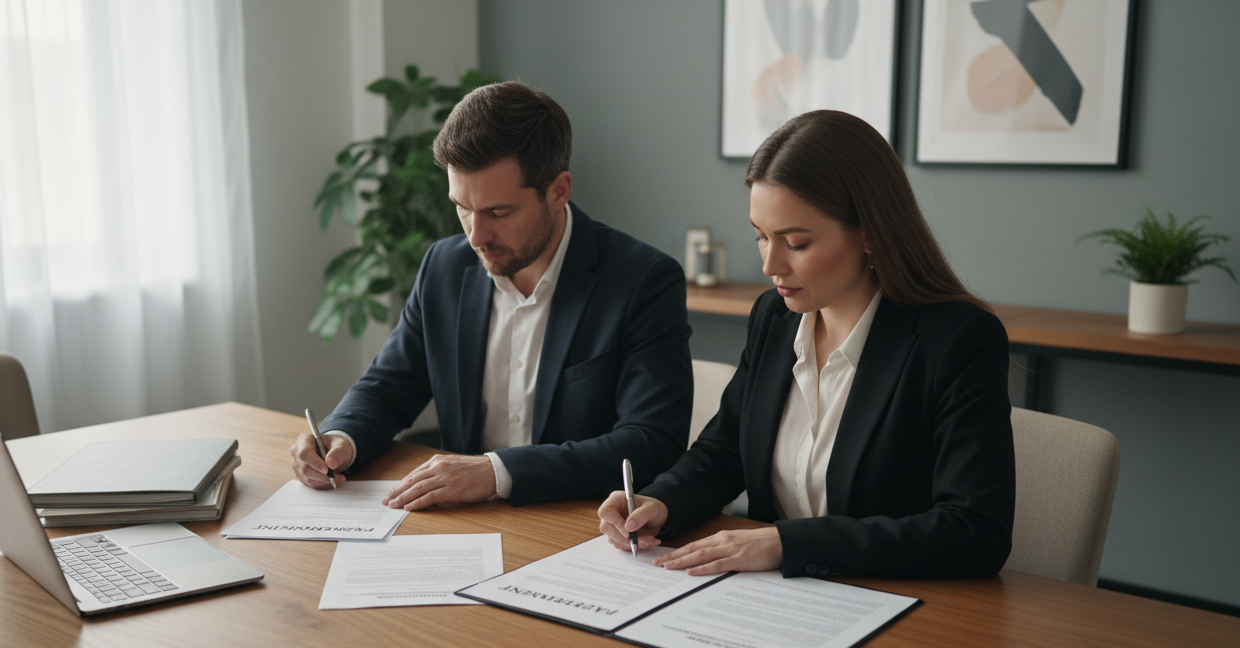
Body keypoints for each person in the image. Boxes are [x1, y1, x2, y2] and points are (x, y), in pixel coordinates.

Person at [598, 110, 1015, 579]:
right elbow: (727, 449)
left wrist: (784, 543)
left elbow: (975, 531)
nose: (771, 265)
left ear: (870, 233)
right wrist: (662, 501)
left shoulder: (958, 340)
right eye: (760, 237)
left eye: (795, 243)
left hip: (890, 602)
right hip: (770, 597)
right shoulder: (774, 316)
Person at [290, 82, 693, 509]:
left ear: (558, 191)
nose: (476, 235)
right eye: (462, 207)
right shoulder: (444, 267)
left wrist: (496, 472)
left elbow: (651, 442)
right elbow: (389, 387)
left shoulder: (643, 281)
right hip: (464, 523)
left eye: (498, 212)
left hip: (578, 526)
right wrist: (341, 435)